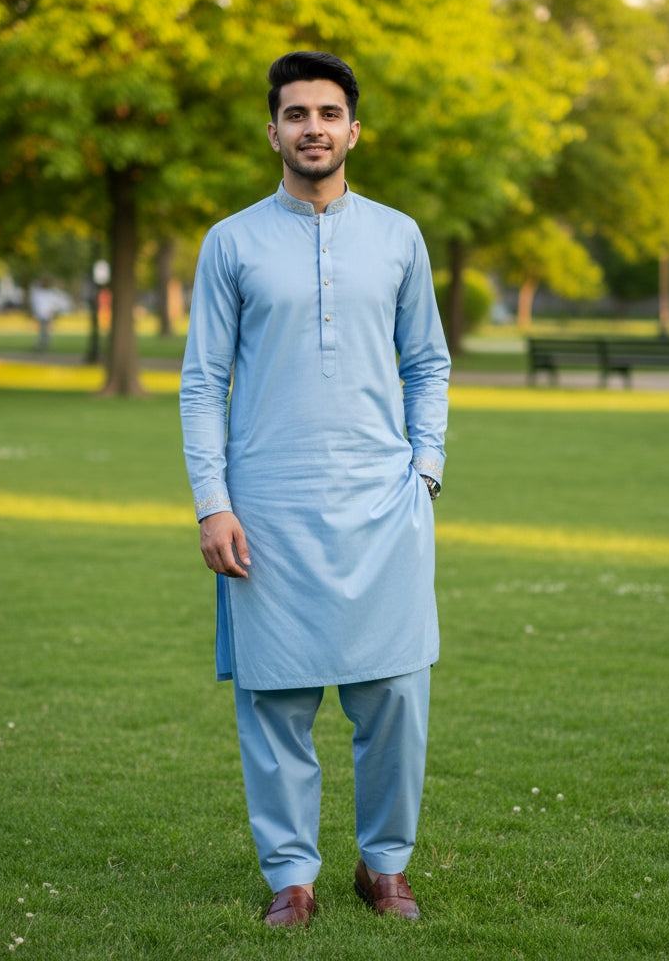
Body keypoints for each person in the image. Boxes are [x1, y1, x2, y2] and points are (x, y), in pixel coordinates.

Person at [179, 51, 450, 928]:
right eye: (296, 114)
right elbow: (201, 379)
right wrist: (212, 501)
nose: (313, 128)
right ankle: (291, 878)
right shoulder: (231, 242)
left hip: (385, 503)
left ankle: (385, 867)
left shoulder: (400, 236)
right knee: (276, 704)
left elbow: (428, 363)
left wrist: (427, 466)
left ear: (353, 130)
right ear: (274, 132)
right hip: (269, 509)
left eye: (328, 113)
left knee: (396, 699)